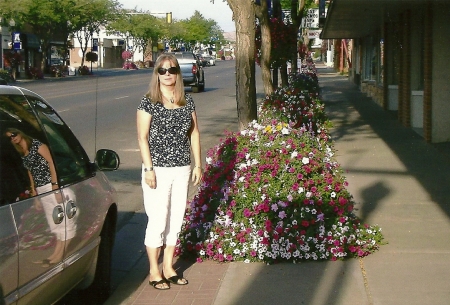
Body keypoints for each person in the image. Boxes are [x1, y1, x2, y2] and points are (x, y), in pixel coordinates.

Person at [137, 53, 203, 290]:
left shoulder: (187, 101)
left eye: (172, 70)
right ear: (156, 73)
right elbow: (142, 137)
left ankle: (168, 267)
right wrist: (149, 168)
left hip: (182, 168)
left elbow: (194, 133)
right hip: (158, 170)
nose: (167, 75)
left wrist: (198, 164)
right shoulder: (148, 101)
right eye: (162, 70)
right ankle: (154, 271)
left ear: (178, 73)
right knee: (158, 218)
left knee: (176, 218)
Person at [5, 128, 73, 267]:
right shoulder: (23, 151)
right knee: (54, 221)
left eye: (14, 135)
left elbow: (51, 163)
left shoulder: (37, 145)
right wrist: (34, 192)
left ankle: (60, 255)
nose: (13, 138)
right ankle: (55, 254)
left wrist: (55, 186)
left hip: (50, 185)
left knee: (61, 220)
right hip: (41, 189)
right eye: (9, 138)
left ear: (19, 132)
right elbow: (30, 172)